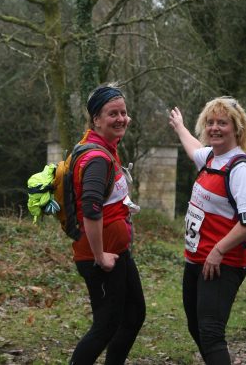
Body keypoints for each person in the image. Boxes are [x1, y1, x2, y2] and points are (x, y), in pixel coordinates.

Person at [168, 96, 246, 365]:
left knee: (210, 333)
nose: (215, 128)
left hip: (223, 263)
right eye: (210, 122)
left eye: (222, 123)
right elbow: (192, 148)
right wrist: (179, 126)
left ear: (238, 129)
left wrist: (218, 250)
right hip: (197, 260)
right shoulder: (211, 158)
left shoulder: (241, 168)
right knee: (196, 327)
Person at [69, 83, 145, 365]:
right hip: (99, 258)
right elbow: (90, 209)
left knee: (134, 314)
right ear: (96, 120)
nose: (121, 118)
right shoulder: (98, 158)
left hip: (118, 252)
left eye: (124, 112)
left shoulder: (107, 148)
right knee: (105, 326)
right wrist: (101, 256)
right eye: (113, 113)